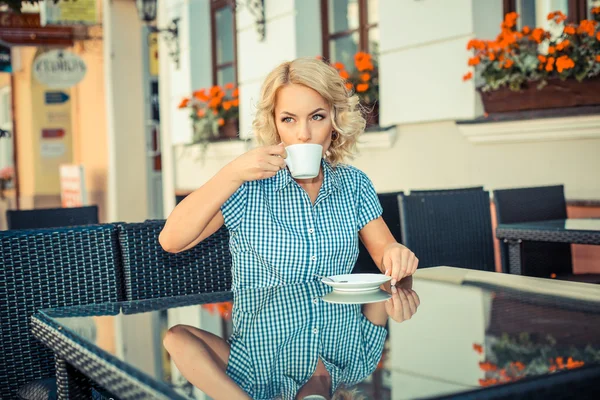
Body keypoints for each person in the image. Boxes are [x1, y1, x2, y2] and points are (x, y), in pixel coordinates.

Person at [159, 56, 419, 290]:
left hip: (340, 336)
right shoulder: (247, 187)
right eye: (289, 119)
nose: (303, 134)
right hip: (267, 340)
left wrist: (396, 253)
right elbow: (172, 241)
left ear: (335, 122)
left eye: (317, 117)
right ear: (274, 125)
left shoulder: (354, 183)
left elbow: (384, 251)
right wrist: (232, 172)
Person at [162, 278, 421, 400]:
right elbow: (388, 280)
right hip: (327, 228)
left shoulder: (257, 380)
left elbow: (176, 339)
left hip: (266, 228)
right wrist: (402, 292)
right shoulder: (359, 363)